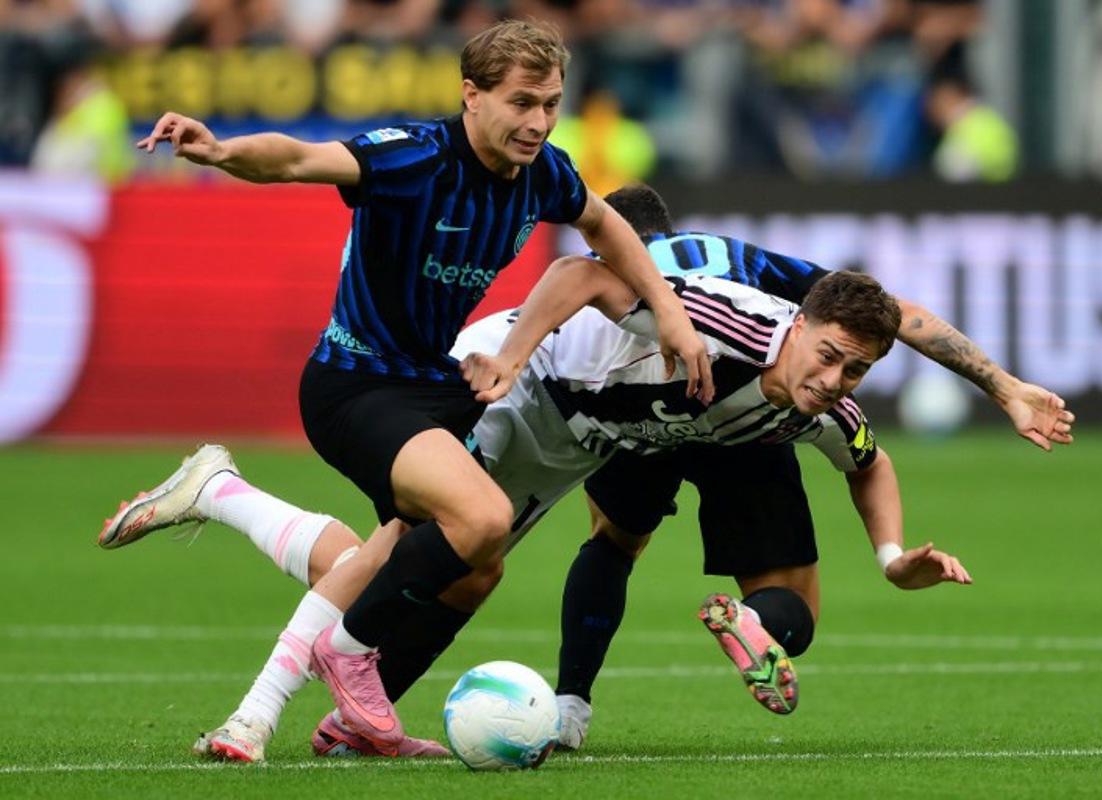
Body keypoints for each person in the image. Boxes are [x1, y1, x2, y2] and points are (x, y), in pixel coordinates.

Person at [126, 19, 712, 759]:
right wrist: (219, 151)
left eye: (551, 103)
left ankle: (318, 692)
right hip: (354, 385)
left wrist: (669, 313)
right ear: (472, 95)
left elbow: (606, 225)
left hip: (433, 386)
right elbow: (299, 158)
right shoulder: (414, 157)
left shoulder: (545, 171)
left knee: (465, 570)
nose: (537, 122)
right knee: (482, 519)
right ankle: (347, 650)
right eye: (522, 102)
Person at [103, 268, 970, 761]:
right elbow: (580, 273)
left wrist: (892, 557)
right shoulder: (720, 317)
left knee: (462, 567)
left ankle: (221, 495)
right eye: (826, 356)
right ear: (798, 323)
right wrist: (511, 357)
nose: (833, 381)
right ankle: (255, 716)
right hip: (507, 388)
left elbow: (871, 461)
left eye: (855, 371)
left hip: (570, 441)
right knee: (411, 545)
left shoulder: (818, 403)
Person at [548, 183, 1071, 748]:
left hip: (647, 408)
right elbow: (899, 316)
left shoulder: (609, 262)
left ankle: (570, 707)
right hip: (757, 412)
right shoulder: (730, 255)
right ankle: (756, 622)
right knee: (795, 609)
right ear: (670, 227)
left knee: (614, 542)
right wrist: (1004, 387)